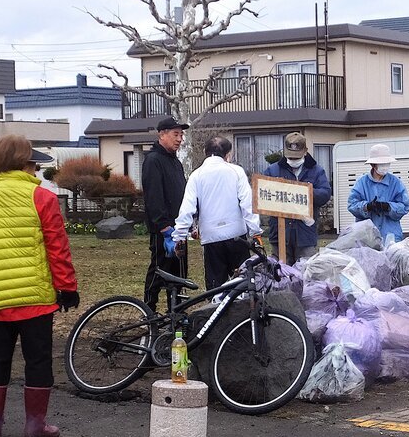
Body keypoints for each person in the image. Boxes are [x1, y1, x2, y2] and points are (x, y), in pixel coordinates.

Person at [0, 134, 79, 437]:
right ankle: (35, 425)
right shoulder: (43, 198)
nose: (36, 171)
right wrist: (67, 287)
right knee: (37, 359)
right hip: (35, 298)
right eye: (34, 164)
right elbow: (57, 248)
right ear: (25, 163)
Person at [173, 136, 262, 289]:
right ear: (228, 154)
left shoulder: (196, 175)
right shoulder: (236, 171)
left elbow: (187, 207)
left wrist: (180, 235)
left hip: (211, 237)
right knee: (243, 285)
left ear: (204, 152)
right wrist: (255, 231)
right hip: (236, 235)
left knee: (216, 288)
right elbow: (248, 203)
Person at [141, 117, 189, 310]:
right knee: (159, 269)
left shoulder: (175, 162)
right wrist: (164, 227)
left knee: (179, 273)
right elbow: (153, 197)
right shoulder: (153, 160)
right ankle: (148, 309)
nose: (179, 139)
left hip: (180, 228)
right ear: (162, 134)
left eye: (181, 134)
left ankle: (176, 312)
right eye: (175, 134)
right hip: (164, 229)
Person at [263, 132, 331, 265]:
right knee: (281, 274)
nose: (293, 160)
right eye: (291, 157)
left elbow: (325, 194)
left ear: (305, 151)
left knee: (306, 272)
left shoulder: (316, 171)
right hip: (279, 232)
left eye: (296, 157)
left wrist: (307, 192)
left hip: (305, 234)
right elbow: (262, 195)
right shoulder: (272, 170)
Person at [347, 143, 409, 243]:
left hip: (390, 236)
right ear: (373, 165)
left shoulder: (395, 182)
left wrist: (388, 207)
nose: (385, 166)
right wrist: (366, 207)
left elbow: (405, 206)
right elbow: (352, 204)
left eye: (386, 163)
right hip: (366, 236)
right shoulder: (361, 183)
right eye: (381, 164)